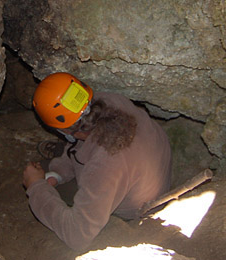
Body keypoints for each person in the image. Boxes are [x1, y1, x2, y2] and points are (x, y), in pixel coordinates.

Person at [23, 72, 172, 250]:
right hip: (155, 173)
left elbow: (77, 235)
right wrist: (59, 173)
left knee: (60, 203)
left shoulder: (103, 166)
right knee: (63, 166)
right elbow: (79, 139)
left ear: (64, 131)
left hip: (138, 207)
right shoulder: (111, 101)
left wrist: (36, 186)